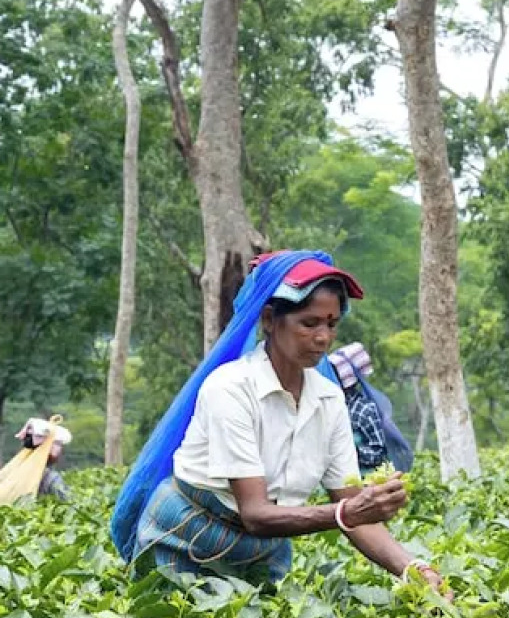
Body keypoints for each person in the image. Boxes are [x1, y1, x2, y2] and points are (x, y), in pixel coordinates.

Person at [112, 251, 445, 593]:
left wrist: (414, 570)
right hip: (185, 538)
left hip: (261, 552)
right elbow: (256, 513)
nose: (323, 338)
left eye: (331, 324)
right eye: (309, 323)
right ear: (269, 320)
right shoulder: (231, 389)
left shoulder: (329, 401)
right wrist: (346, 511)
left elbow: (355, 516)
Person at [318, 342, 414, 475]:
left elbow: (378, 452)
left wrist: (351, 450)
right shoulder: (333, 406)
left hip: (365, 481)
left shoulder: (363, 410)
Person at [0, 415, 71, 506]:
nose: (59, 449)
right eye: (57, 444)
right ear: (47, 446)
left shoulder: (16, 471)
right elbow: (68, 503)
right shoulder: (51, 478)